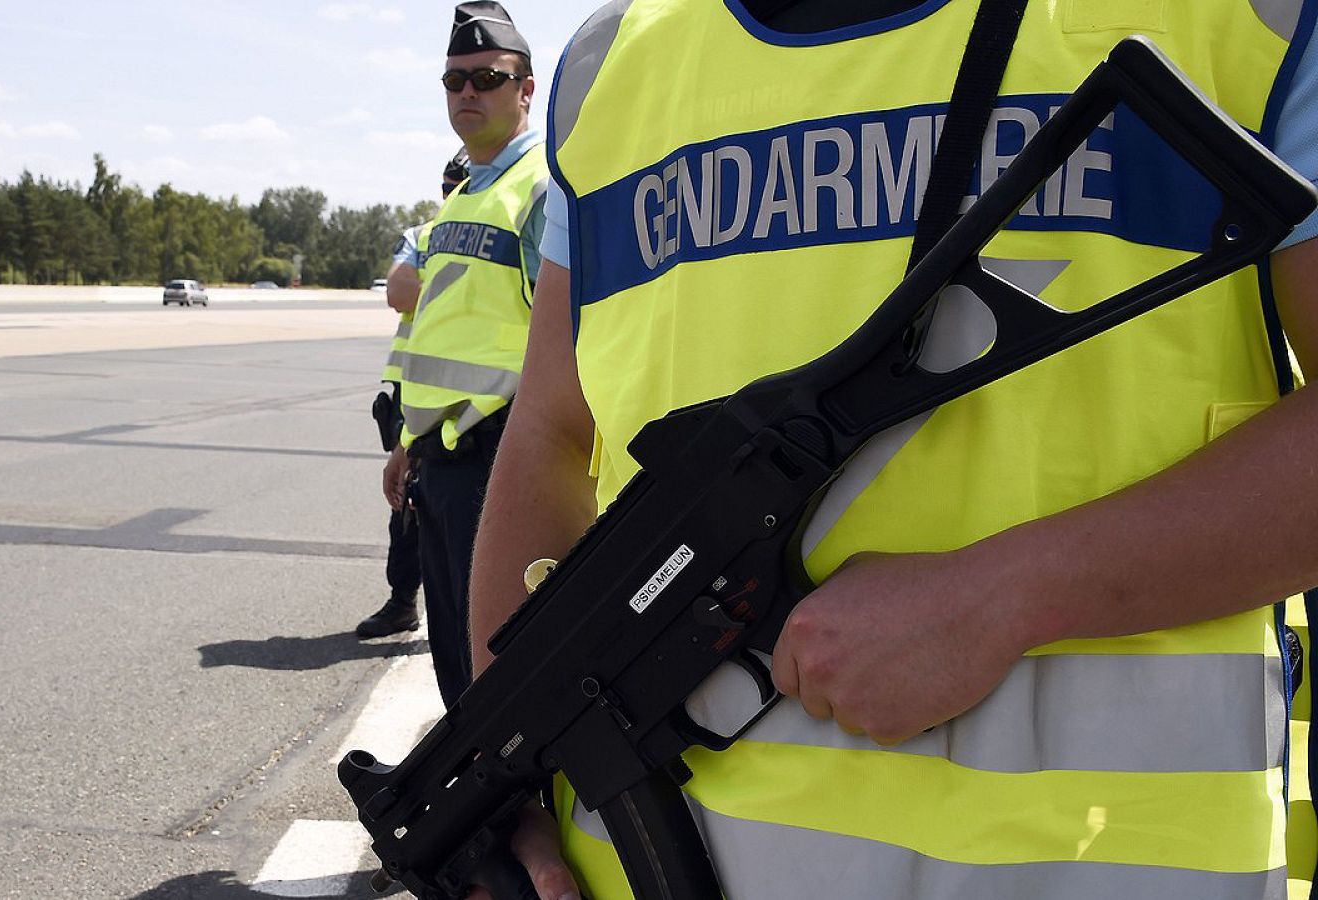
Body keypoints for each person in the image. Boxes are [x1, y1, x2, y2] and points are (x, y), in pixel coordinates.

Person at [465, 1, 1318, 898]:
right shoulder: (613, 62)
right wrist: (493, 774)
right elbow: (554, 429)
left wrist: (1005, 597)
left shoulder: (1241, 18)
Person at [386, 0, 549, 706]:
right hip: (444, 463)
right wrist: (408, 442)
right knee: (457, 669)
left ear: (526, 89)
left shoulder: (542, 188)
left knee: (502, 678)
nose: (468, 94)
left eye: (487, 77)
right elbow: (443, 333)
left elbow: (571, 339)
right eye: (454, 82)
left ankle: (516, 818)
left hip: (502, 462)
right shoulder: (460, 200)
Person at [358, 150, 473, 639]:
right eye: (448, 187)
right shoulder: (424, 235)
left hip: (476, 386)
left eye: (461, 185)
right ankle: (403, 600)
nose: (453, 196)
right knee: (407, 503)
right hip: (415, 388)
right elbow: (400, 293)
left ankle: (474, 616)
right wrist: (465, 280)